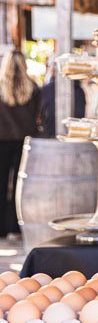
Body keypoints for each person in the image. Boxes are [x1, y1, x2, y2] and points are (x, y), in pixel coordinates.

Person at [0, 50, 41, 238]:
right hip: (25, 143)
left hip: (2, 141)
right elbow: (38, 116)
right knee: (20, 187)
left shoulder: (1, 88)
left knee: (1, 184)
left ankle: (1, 228)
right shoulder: (33, 88)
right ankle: (17, 227)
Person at [39, 59, 86, 138]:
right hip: (74, 136)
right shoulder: (79, 90)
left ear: (53, 71)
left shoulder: (45, 90)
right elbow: (81, 116)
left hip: (50, 136)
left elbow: (41, 115)